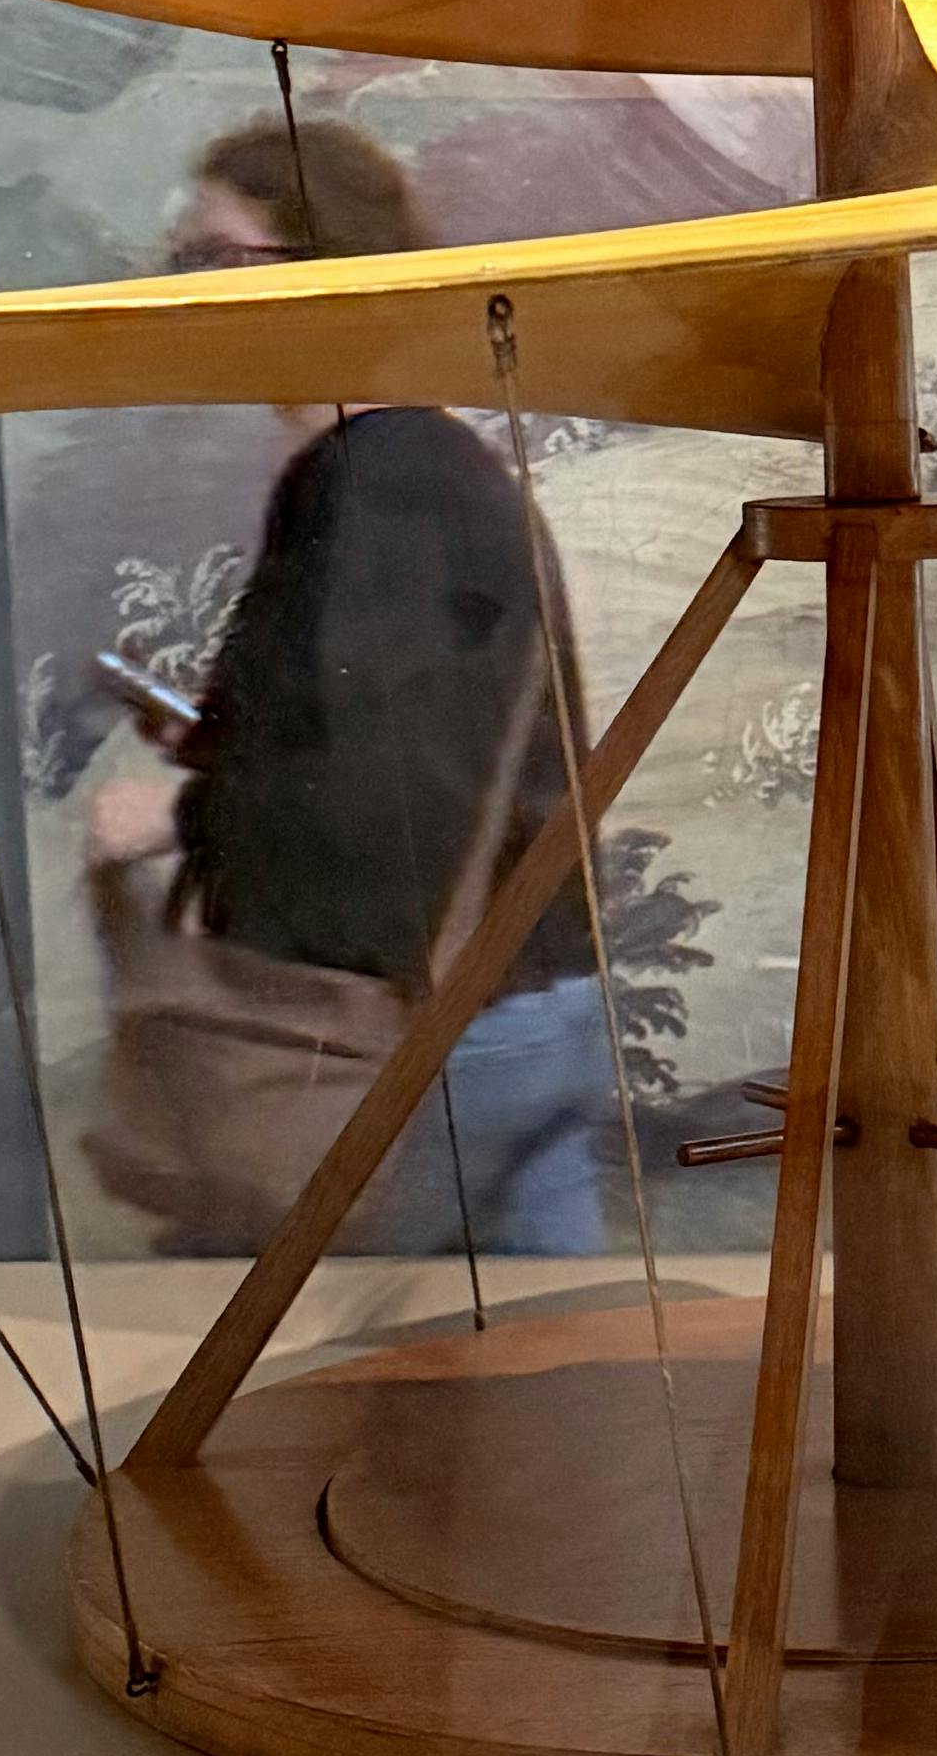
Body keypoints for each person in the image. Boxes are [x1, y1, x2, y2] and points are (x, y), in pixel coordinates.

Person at [83, 111, 607, 1258]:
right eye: (188, 258)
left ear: (335, 272)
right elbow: (402, 731)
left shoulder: (377, 485)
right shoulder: (415, 466)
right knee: (541, 1346)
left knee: (377, 1351)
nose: (196, 290)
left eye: (220, 257)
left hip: (443, 1030)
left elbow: (386, 786)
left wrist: (180, 814)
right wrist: (227, 742)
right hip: (511, 996)